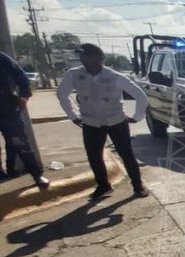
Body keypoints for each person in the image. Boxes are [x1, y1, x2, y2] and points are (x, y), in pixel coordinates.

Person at [57, 43, 149, 200]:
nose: (83, 59)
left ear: (98, 58)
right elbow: (62, 94)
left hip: (116, 121)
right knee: (94, 156)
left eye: (86, 55)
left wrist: (137, 117)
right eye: (81, 56)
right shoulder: (75, 75)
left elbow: (140, 96)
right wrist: (73, 116)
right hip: (91, 122)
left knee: (126, 154)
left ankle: (138, 186)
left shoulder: (114, 76)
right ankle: (103, 185)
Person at [0, 51, 50, 189]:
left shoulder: (2, 58)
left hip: (6, 108)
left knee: (19, 142)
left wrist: (24, 96)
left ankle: (36, 174)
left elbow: (21, 77)